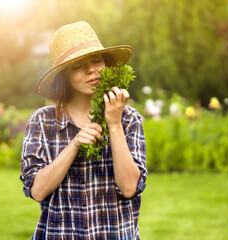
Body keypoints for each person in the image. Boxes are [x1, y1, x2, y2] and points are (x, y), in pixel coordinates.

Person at [20, 21, 148, 240]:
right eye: (77, 66)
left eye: (96, 60)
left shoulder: (128, 118)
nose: (91, 70)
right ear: (64, 76)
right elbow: (38, 191)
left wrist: (114, 125)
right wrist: (74, 145)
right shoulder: (42, 121)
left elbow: (128, 188)